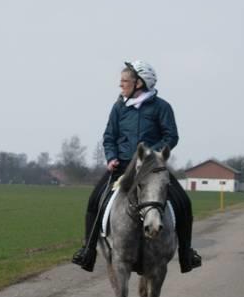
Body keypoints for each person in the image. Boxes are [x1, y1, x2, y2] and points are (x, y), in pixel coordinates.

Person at [71, 60, 202, 274]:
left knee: (183, 202)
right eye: (121, 81)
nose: (120, 85)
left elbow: (171, 136)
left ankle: (186, 254)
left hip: (151, 167)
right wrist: (111, 156)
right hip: (122, 167)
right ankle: (88, 251)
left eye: (125, 81)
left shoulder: (162, 107)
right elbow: (109, 137)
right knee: (95, 200)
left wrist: (151, 155)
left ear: (139, 83)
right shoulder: (118, 107)